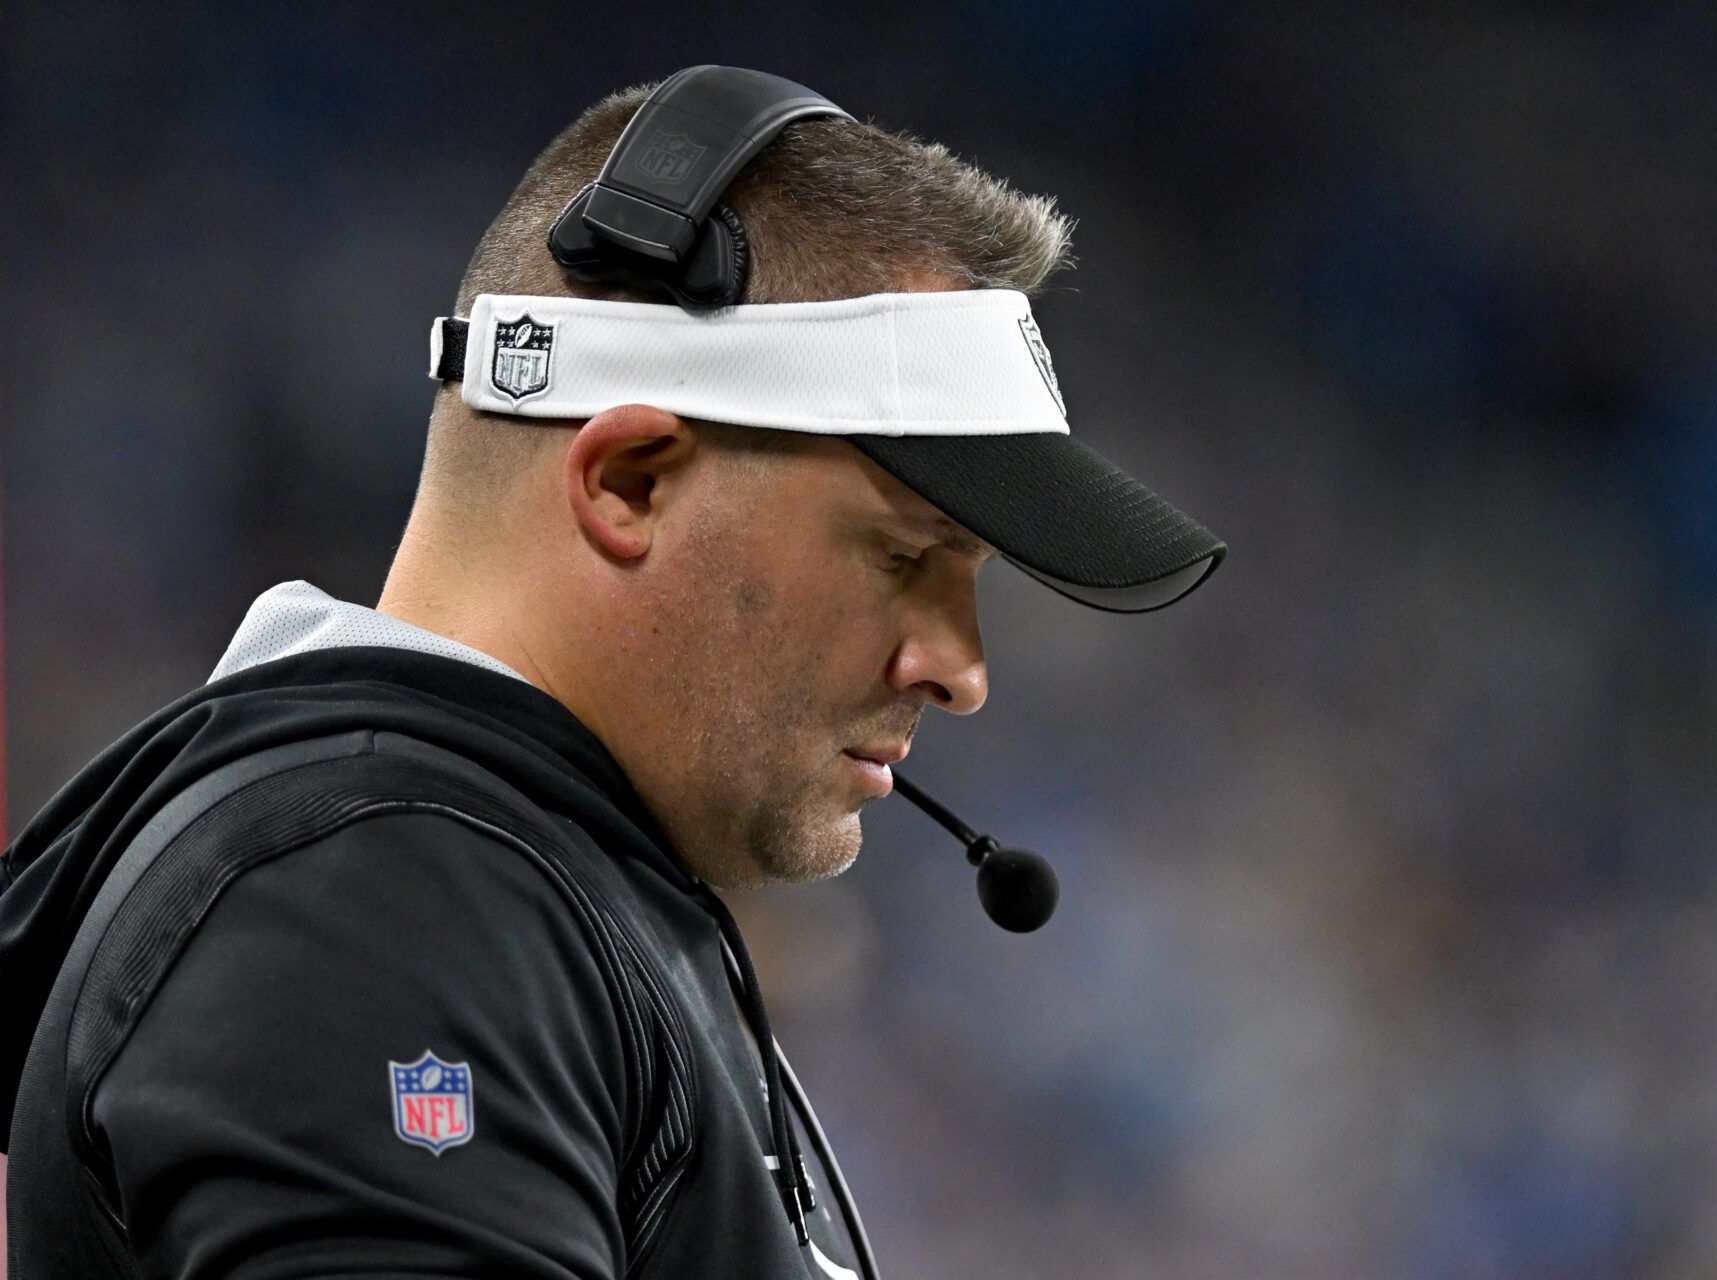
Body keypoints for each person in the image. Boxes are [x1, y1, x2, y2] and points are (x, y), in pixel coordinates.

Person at [0, 68, 1223, 1279]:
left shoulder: (504, 881)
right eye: (904, 552)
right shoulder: (383, 900)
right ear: (631, 479)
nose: (959, 668)